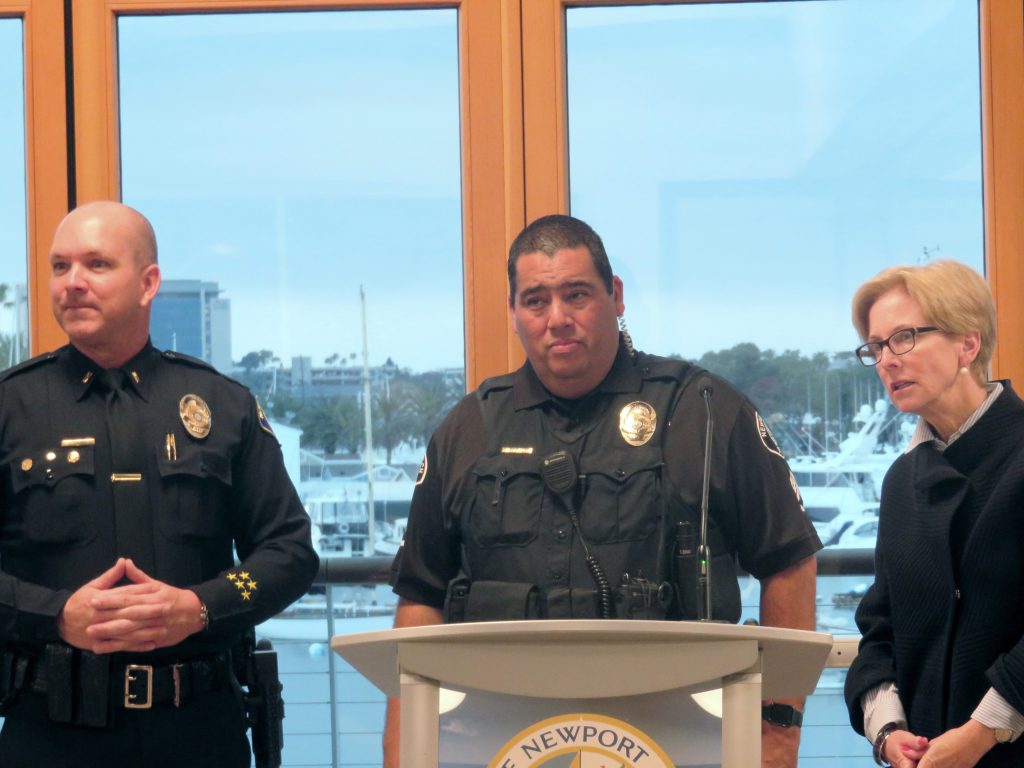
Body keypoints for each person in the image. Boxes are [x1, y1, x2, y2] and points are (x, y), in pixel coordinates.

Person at [385, 214, 821, 768]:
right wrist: (402, 751)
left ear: (615, 297)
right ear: (514, 313)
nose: (558, 319)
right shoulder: (468, 429)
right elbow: (422, 593)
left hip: (683, 733)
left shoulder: (704, 413)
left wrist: (778, 732)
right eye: (536, 300)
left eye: (577, 295)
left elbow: (788, 559)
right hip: (498, 735)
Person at [0, 201, 319, 767]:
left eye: (96, 264)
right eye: (59, 267)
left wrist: (201, 606)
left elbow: (290, 554)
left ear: (148, 284)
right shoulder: (11, 407)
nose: (72, 283)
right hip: (49, 734)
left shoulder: (222, 404)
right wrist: (54, 615)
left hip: (198, 730)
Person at [844, 260, 1024, 768]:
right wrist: (886, 729)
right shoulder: (902, 481)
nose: (886, 360)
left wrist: (982, 731)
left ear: (968, 345)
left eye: (904, 338)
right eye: (876, 347)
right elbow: (878, 628)